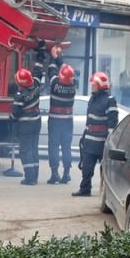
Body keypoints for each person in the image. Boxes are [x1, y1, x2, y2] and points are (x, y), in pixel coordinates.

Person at [72, 71, 118, 197]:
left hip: (102, 142)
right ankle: (85, 189)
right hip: (90, 140)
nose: (92, 86)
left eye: (94, 84)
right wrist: (85, 136)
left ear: (100, 85)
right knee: (87, 168)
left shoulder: (110, 100)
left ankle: (109, 193)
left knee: (106, 170)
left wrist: (109, 140)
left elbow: (112, 122)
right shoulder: (92, 99)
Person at [10, 42, 44, 185]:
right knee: (34, 149)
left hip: (26, 126)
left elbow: (15, 114)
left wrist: (10, 119)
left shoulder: (20, 95)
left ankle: (29, 178)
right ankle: (35, 176)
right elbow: (37, 72)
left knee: (25, 151)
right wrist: (40, 53)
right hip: (36, 123)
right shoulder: (35, 86)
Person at [44, 45, 76, 184]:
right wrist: (59, 57)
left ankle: (54, 173)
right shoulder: (73, 86)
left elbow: (51, 70)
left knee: (54, 147)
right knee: (66, 148)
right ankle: (66, 173)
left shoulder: (55, 84)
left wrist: (53, 56)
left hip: (55, 122)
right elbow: (64, 70)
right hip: (68, 123)